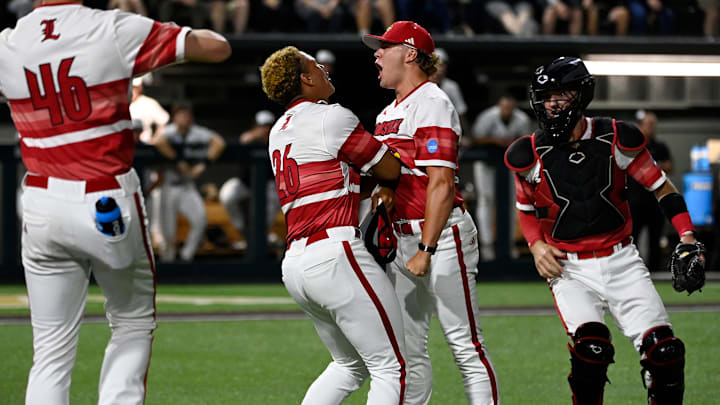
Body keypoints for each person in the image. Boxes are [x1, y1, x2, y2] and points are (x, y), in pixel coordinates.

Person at [0, 1, 230, 404]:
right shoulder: (112, 27)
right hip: (104, 195)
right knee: (131, 322)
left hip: (39, 198)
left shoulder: (8, 43)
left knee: (50, 348)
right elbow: (217, 47)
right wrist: (162, 31)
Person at [505, 56, 703, 404]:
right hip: (569, 268)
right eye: (545, 96)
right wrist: (536, 245)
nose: (551, 103)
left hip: (622, 259)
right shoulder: (529, 153)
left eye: (559, 94)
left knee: (665, 352)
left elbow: (663, 188)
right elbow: (525, 210)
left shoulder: (615, 137)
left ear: (581, 95)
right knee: (591, 349)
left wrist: (688, 237)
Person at [260, 45, 407, 404]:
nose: (325, 68)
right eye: (315, 65)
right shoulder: (331, 117)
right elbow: (390, 169)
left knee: (348, 366)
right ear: (306, 79)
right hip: (334, 251)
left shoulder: (277, 129)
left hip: (295, 262)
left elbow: (336, 177)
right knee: (392, 369)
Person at [363, 21, 500, 405]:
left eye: (384, 46)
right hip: (403, 235)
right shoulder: (387, 112)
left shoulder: (433, 101)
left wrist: (426, 247)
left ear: (410, 53)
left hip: (439, 235)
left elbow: (441, 182)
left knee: (464, 342)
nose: (376, 53)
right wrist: (386, 190)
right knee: (408, 349)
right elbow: (399, 174)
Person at [154, 102, 226, 262]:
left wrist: (204, 164)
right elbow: (158, 141)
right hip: (169, 186)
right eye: (181, 115)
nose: (185, 118)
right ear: (174, 117)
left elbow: (219, 143)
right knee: (168, 231)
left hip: (187, 185)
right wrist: (178, 160)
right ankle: (169, 261)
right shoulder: (169, 131)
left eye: (187, 115)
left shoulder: (197, 132)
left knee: (200, 219)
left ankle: (187, 257)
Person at [471, 95, 531, 261]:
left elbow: (527, 141)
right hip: (486, 162)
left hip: (509, 163)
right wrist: (494, 140)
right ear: (499, 107)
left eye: (510, 108)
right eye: (504, 108)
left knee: (513, 201)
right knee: (486, 200)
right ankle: (487, 245)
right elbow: (475, 137)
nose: (507, 111)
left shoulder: (521, 118)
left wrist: (511, 141)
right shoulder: (488, 116)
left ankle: (510, 244)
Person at [628, 110, 673, 272]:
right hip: (634, 203)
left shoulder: (660, 147)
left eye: (654, 125)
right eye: (649, 125)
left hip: (655, 202)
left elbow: (669, 166)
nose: (652, 128)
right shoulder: (632, 145)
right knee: (632, 239)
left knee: (656, 239)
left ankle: (655, 271)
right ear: (641, 126)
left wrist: (650, 168)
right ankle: (633, 271)